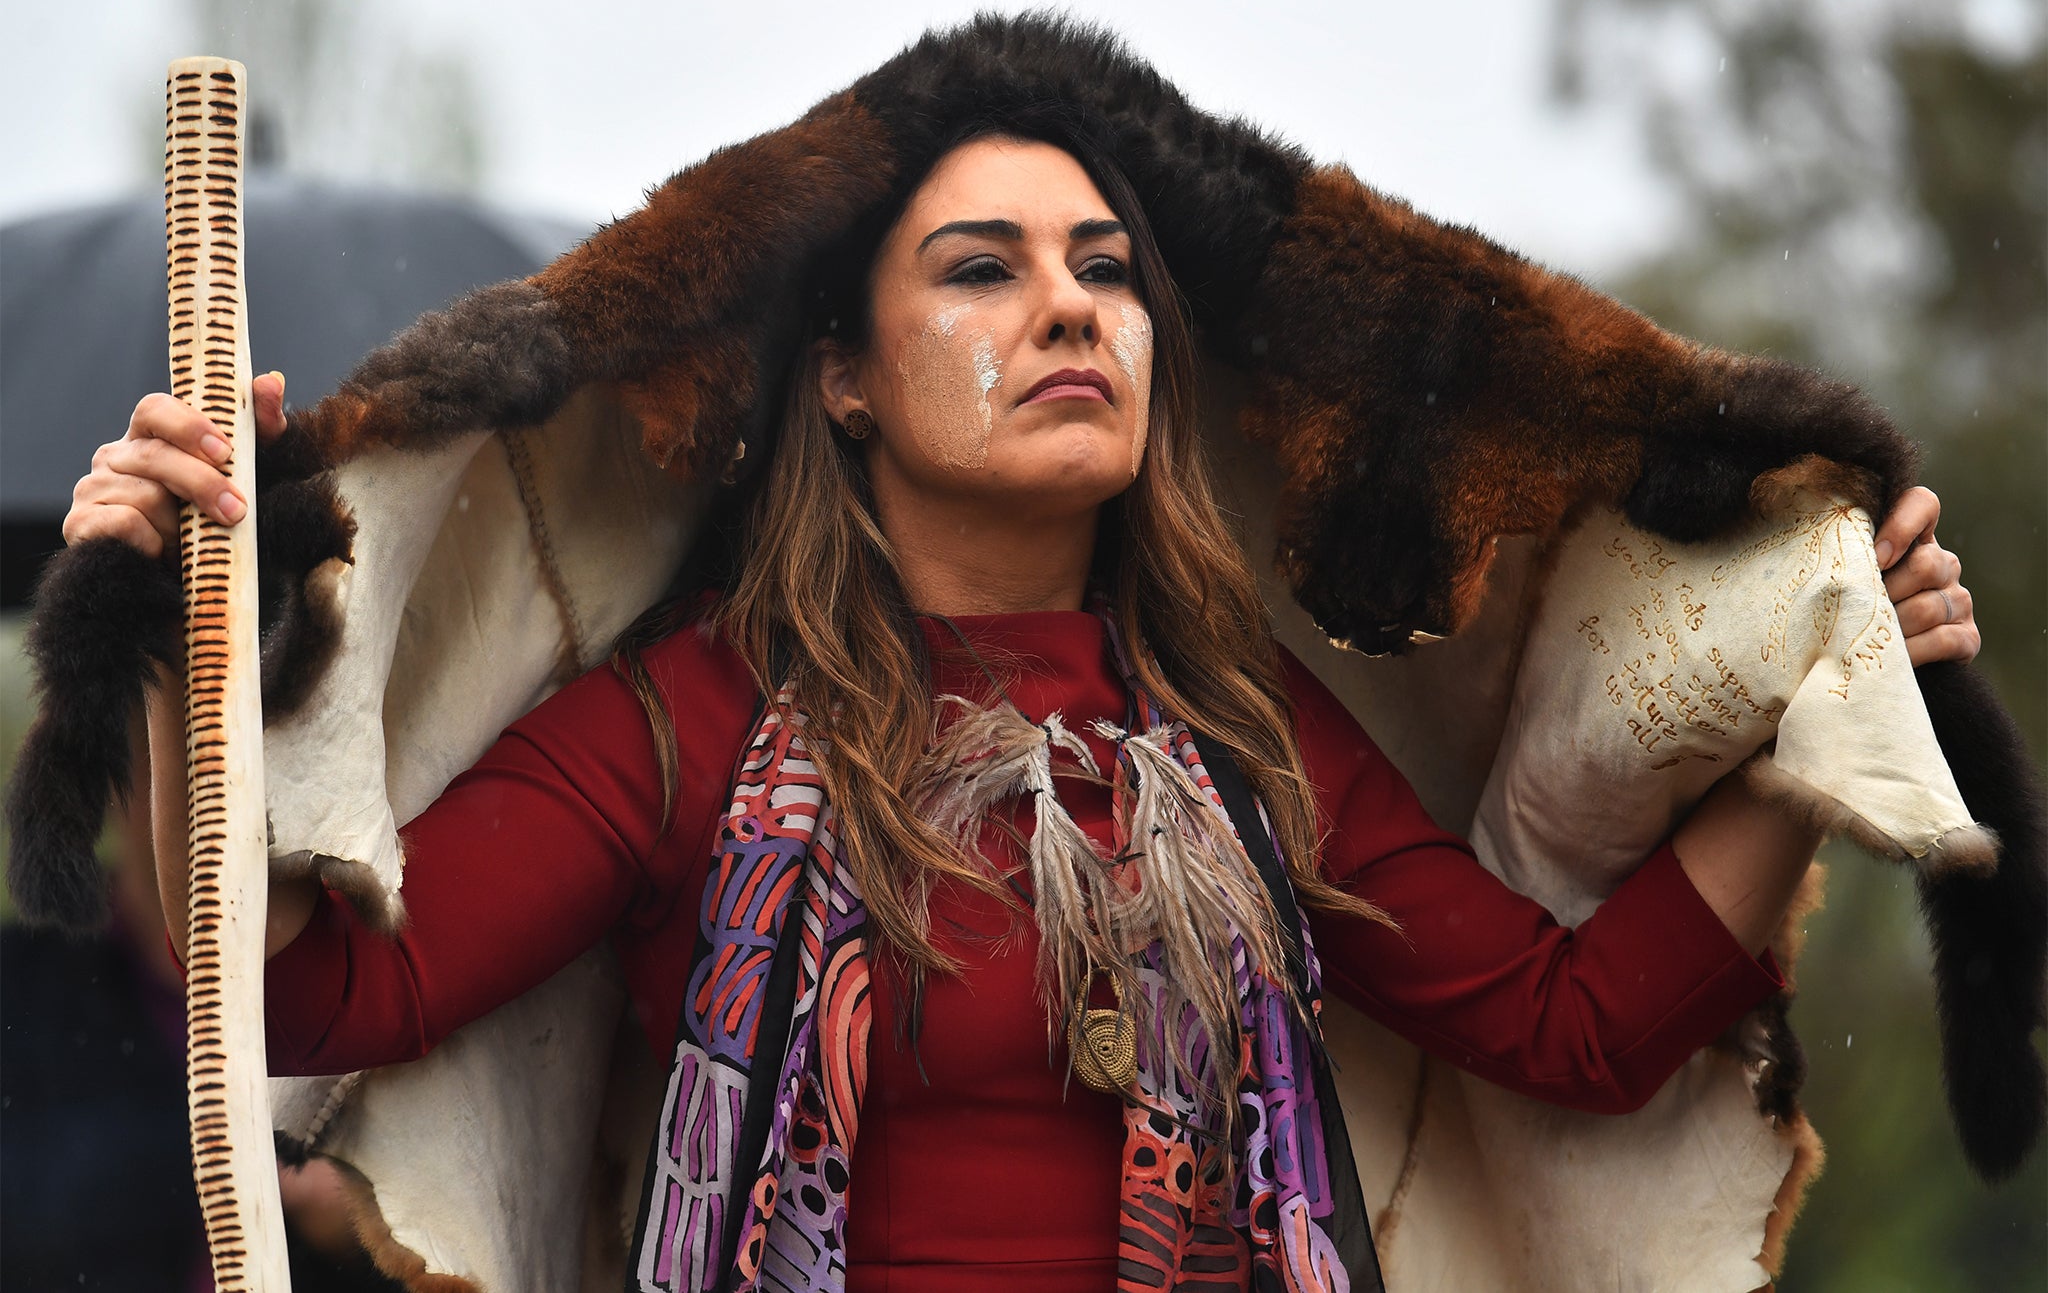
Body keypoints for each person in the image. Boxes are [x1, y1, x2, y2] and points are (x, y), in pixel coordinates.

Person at [68, 129, 1980, 1291]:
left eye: (1110, 272)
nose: (1074, 310)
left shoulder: (1245, 753)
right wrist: (174, 635)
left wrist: (1825, 725)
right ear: (843, 379)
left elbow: (1576, 1029)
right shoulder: (692, 720)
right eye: (982, 270)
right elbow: (292, 998)